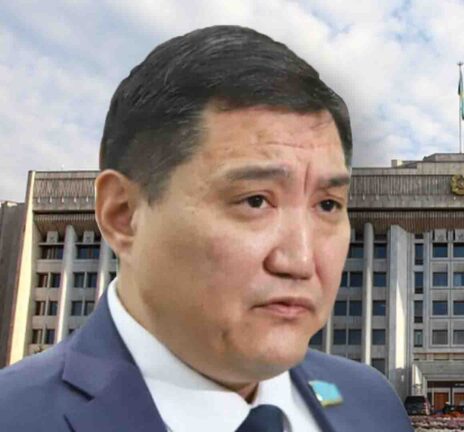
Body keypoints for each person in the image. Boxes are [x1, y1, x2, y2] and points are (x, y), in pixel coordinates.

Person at [0, 25, 414, 432]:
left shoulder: (371, 404)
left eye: (327, 204)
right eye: (255, 201)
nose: (300, 261)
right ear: (123, 214)